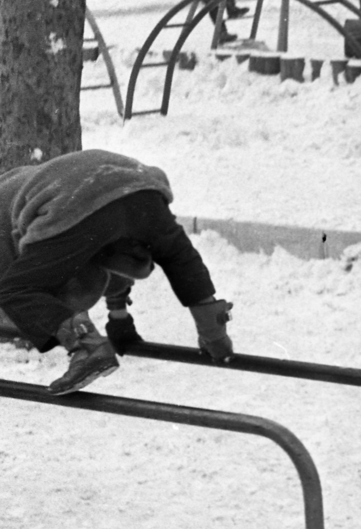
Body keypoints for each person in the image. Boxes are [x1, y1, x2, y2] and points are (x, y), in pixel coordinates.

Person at [0, 149, 234, 396]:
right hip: (139, 186)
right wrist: (119, 318)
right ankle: (213, 332)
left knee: (15, 290)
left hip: (74, 200)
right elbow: (176, 259)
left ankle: (88, 348)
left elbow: (28, 289)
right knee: (173, 255)